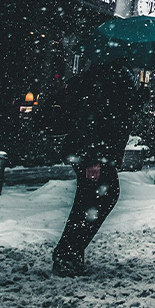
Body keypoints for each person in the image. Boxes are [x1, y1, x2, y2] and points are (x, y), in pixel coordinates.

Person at [51, 60, 145, 277]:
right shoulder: (105, 75)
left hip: (100, 151)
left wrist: (138, 98)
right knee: (97, 199)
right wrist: (93, 157)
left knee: (93, 200)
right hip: (94, 152)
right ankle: (67, 254)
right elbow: (91, 116)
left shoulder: (116, 74)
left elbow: (118, 111)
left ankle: (70, 254)